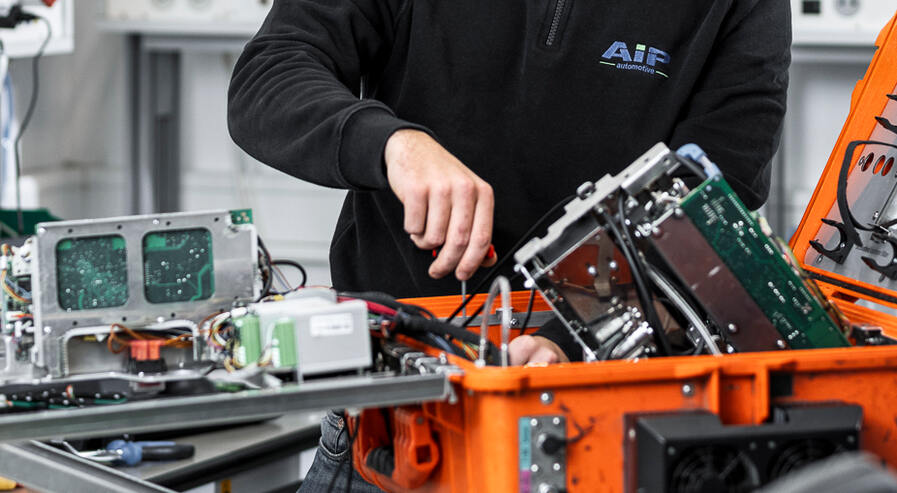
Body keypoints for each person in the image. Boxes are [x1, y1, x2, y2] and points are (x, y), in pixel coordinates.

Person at [228, 0, 791, 490]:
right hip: (394, 428)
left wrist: (569, 342)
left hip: (611, 421)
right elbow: (271, 73)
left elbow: (712, 197)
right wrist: (392, 144)